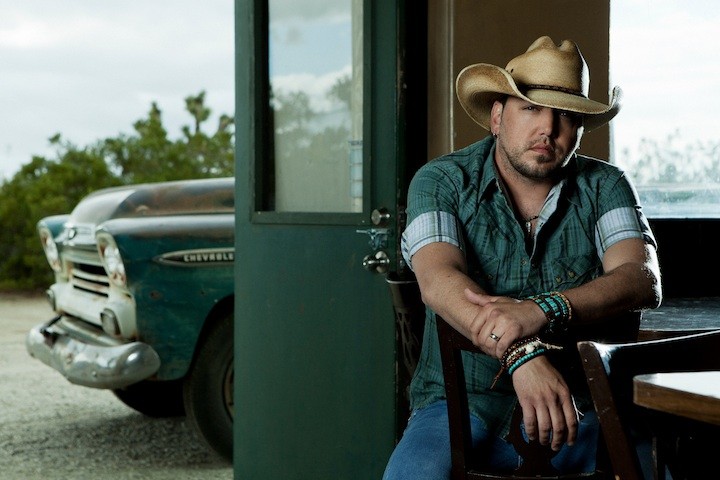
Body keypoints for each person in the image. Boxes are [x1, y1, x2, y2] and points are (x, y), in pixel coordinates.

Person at [383, 36, 662, 479]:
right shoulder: (441, 181)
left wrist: (542, 310)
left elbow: (641, 278)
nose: (548, 128)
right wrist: (520, 353)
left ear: (580, 128)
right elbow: (439, 280)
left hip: (581, 406)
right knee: (411, 474)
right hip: (461, 405)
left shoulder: (606, 185)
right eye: (531, 108)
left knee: (653, 468)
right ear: (497, 116)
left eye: (566, 114)